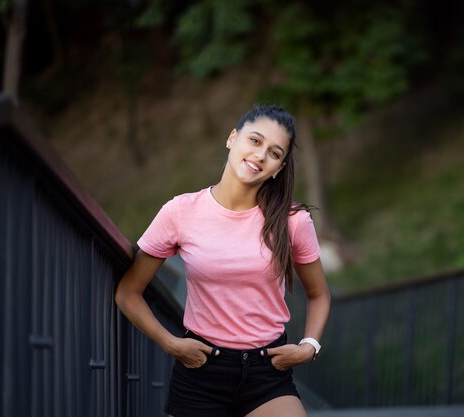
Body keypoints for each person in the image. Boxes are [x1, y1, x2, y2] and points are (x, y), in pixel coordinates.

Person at [115, 104, 331, 417]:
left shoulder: (292, 220)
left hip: (267, 373)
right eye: (255, 141)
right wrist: (170, 343)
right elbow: (128, 292)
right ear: (233, 138)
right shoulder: (180, 212)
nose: (260, 155)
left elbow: (319, 294)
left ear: (280, 167)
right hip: (201, 369)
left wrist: (309, 346)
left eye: (274, 152)